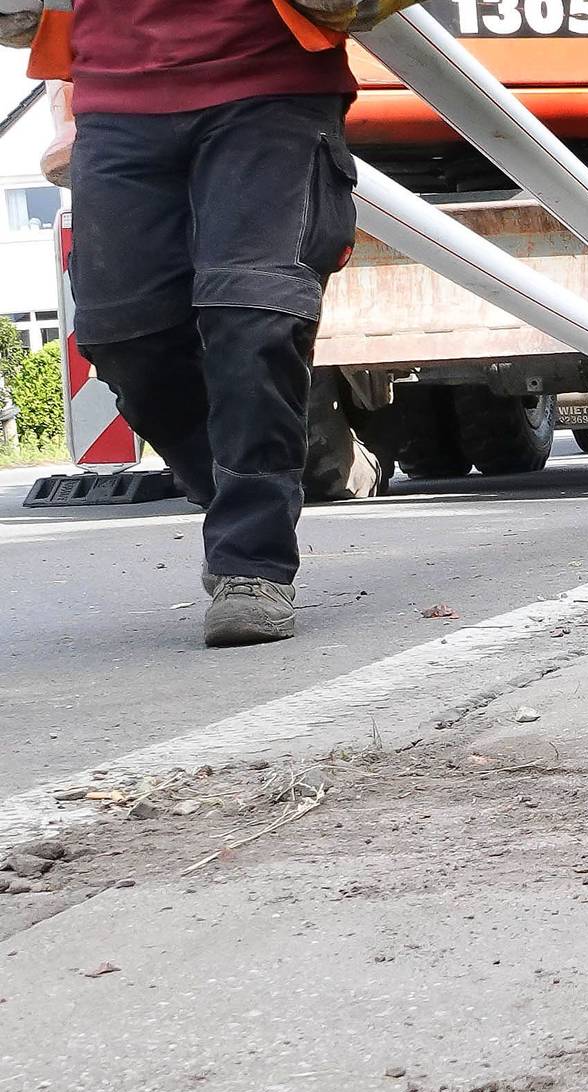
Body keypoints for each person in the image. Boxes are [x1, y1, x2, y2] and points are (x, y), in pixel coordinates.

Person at [2, 1, 395, 647]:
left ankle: (252, 565)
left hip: (270, 91)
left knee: (255, 322)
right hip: (116, 102)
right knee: (123, 336)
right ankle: (243, 498)